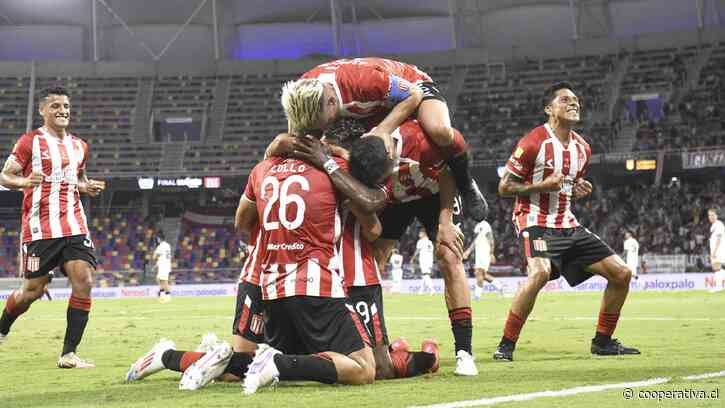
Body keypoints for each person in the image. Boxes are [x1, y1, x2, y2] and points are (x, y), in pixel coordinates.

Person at [289, 117, 478, 376]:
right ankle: (377, 343)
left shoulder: (418, 142)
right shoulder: (358, 151)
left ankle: (464, 352)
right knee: (373, 257)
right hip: (393, 198)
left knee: (448, 254)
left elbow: (447, 168)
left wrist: (446, 220)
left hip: (432, 193)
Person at [235, 134, 399, 395]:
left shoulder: (266, 167)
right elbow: (374, 226)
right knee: (372, 368)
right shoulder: (340, 172)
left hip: (269, 277)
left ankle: (176, 357)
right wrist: (339, 161)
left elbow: (241, 223)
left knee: (244, 365)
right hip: (334, 278)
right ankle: (273, 362)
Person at [493, 82, 640, 361]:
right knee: (539, 273)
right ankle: (506, 345)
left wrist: (577, 187)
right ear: (549, 109)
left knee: (622, 274)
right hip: (534, 220)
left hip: (567, 224)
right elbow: (504, 188)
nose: (574, 104)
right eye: (565, 100)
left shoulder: (583, 148)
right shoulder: (533, 141)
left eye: (576, 101)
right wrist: (542, 186)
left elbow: (567, 183)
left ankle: (603, 341)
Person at [284, 57, 488, 221]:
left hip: (410, 85)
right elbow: (299, 138)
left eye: (322, 121)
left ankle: (465, 181)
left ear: (330, 102)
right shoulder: (301, 97)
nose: (322, 128)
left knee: (439, 131)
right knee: (342, 151)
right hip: (370, 107)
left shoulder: (362, 81)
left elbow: (413, 95)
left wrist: (383, 129)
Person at [0, 86, 106, 369]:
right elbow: (5, 176)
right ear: (43, 111)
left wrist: (88, 187)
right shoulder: (29, 142)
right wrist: (24, 182)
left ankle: (68, 354)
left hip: (74, 226)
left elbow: (77, 180)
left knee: (84, 282)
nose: (62, 111)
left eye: (66, 106)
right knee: (32, 292)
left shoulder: (80, 146)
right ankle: (2, 328)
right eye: (56, 106)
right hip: (40, 230)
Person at [464, 220, 504, 299]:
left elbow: (491, 239)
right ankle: (500, 286)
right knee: (483, 275)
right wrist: (468, 251)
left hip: (485, 252)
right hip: (479, 253)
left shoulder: (485, 225)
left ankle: (477, 295)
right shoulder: (477, 226)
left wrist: (491, 253)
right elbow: (476, 241)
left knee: (478, 272)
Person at [412, 230, 436, 295]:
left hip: (424, 260)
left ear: (424, 234)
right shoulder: (430, 242)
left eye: (420, 233)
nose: (419, 234)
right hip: (429, 260)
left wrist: (413, 258)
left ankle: (432, 290)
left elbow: (417, 250)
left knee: (426, 275)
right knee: (425, 275)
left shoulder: (421, 241)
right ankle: (421, 290)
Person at [153, 231, 173, 303]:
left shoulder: (160, 246)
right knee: (160, 280)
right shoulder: (167, 245)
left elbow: (154, 257)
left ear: (159, 239)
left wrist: (154, 252)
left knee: (164, 281)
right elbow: (163, 256)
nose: (157, 240)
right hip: (165, 264)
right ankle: (162, 296)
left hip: (163, 265)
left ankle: (167, 297)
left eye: (157, 239)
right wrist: (156, 265)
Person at [708, 208, 725, 293]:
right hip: (715, 250)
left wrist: (714, 251)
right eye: (709, 215)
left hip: (719, 250)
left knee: (717, 268)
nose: (710, 217)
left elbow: (719, 239)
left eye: (712, 215)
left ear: (716, 216)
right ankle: (718, 286)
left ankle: (718, 287)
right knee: (717, 268)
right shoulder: (713, 225)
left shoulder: (719, 224)